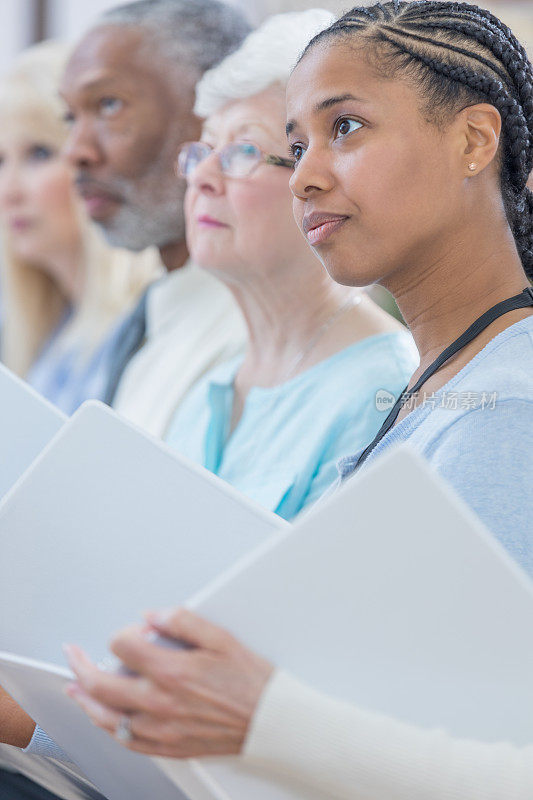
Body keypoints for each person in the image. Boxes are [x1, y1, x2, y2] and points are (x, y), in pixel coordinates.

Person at [65, 3, 533, 799]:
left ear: (472, 141)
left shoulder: (508, 406)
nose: (306, 176)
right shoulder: (439, 390)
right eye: (293, 147)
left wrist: (259, 719)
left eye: (343, 128)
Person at [164, 9, 418, 519]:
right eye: (204, 150)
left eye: (242, 151)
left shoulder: (384, 390)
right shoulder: (206, 391)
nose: (203, 179)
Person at [61, 0, 251, 437]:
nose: (75, 151)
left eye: (109, 105)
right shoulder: (157, 315)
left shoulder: (256, 337)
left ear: (214, 109)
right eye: (70, 117)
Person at [0, 41, 158, 415]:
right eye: (0, 160)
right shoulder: (48, 337)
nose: (9, 190)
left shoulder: (144, 328)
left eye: (39, 153)